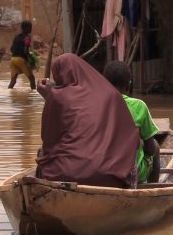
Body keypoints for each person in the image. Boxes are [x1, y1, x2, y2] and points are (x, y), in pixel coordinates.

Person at [36, 53, 140, 188]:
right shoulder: (111, 94)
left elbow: (49, 139)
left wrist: (50, 98)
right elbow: (128, 137)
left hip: (62, 174)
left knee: (41, 152)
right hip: (112, 177)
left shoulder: (58, 97)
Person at [103, 61, 160, 184]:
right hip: (131, 173)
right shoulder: (139, 106)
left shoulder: (95, 104)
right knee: (156, 146)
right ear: (129, 83)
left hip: (101, 169)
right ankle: (153, 188)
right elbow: (150, 149)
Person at [8, 20, 37, 90]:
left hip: (13, 59)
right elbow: (25, 51)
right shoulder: (27, 38)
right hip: (20, 59)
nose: (31, 29)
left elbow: (11, 49)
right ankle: (33, 94)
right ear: (26, 28)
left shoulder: (16, 37)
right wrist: (31, 60)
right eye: (30, 27)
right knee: (32, 78)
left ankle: (9, 92)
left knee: (13, 81)